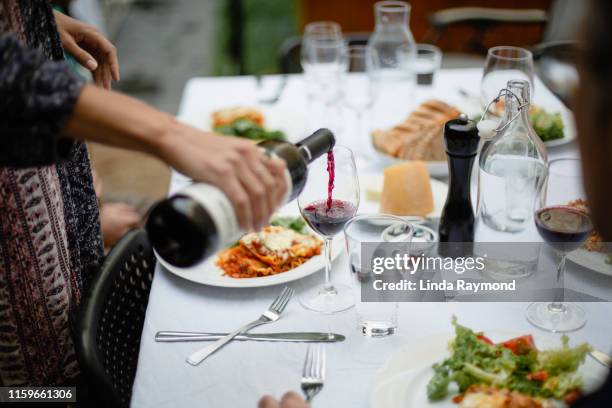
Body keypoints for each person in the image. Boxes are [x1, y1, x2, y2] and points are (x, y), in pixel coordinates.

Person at [0, 0, 286, 386]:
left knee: (71, 332)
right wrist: (168, 134)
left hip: (45, 184)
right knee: (38, 387)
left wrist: (36, 18)